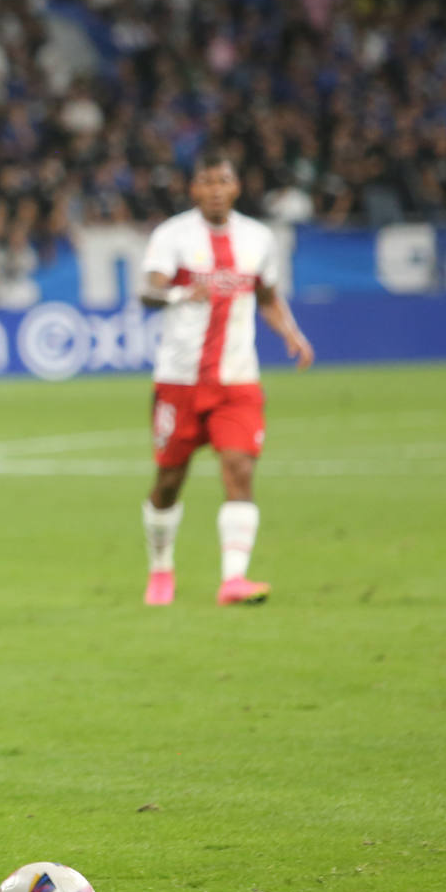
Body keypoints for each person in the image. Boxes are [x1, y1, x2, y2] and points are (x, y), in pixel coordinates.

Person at [138, 150, 314, 607]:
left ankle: (233, 580)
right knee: (168, 482)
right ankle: (161, 570)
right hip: (180, 380)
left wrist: (292, 334)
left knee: (238, 469)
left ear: (237, 187)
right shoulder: (172, 235)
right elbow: (148, 290)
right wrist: (180, 292)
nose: (215, 189)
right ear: (193, 188)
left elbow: (268, 295)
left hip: (238, 379)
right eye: (206, 181)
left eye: (224, 180)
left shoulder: (257, 239)